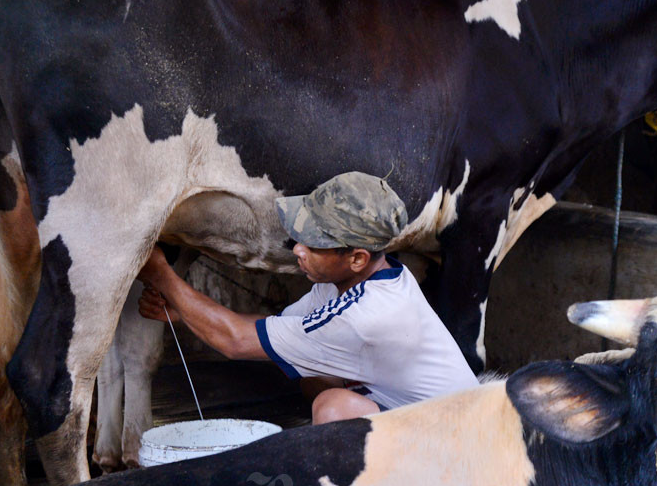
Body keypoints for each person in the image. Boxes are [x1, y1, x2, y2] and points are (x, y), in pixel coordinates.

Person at [136, 171, 479, 424]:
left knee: (332, 408)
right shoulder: (369, 276)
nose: (297, 249)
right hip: (418, 413)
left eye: (313, 243)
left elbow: (236, 341)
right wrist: (184, 314)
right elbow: (278, 329)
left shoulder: (366, 318)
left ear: (357, 257)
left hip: (451, 436)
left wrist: (161, 275)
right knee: (313, 374)